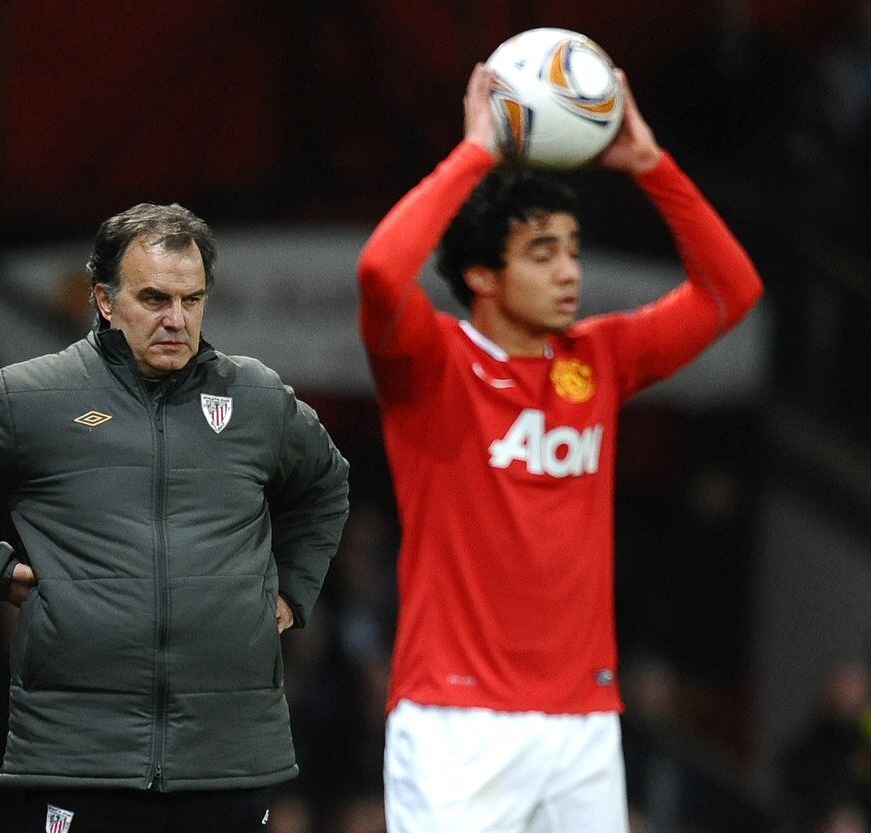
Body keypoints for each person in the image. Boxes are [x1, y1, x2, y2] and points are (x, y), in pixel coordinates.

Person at [356, 63, 763, 832]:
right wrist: (476, 152)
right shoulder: (430, 363)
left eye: (572, 248)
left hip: (583, 716)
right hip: (455, 718)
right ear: (482, 273)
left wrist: (651, 163)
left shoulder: (598, 356)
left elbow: (730, 291)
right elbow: (380, 270)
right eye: (542, 253)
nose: (569, 270)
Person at [0, 203, 351, 832]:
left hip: (226, 758)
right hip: (82, 756)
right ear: (104, 300)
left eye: (192, 299)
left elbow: (327, 485)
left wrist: (293, 589)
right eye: (155, 298)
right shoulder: (37, 395)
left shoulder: (256, 399)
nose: (176, 320)